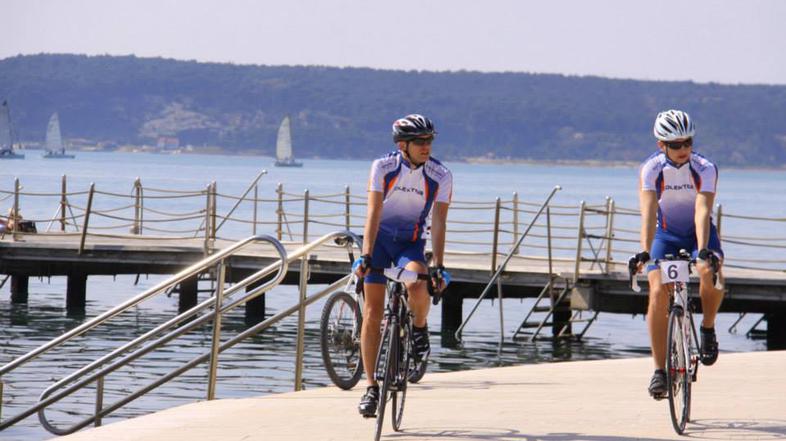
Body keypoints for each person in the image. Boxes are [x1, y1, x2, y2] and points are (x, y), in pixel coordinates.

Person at [354, 114, 452, 417]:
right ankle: (371, 386)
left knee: (418, 284)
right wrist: (367, 255)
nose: (427, 146)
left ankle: (419, 329)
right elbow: (373, 212)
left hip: (409, 243)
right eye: (420, 142)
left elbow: (438, 221)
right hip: (380, 243)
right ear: (402, 145)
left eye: (430, 140)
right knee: (371, 314)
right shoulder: (383, 167)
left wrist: (439, 264)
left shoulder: (440, 174)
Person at [630, 109, 724, 400]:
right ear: (661, 144)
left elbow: (702, 210)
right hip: (665, 235)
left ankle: (707, 328)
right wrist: (645, 251)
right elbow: (647, 213)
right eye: (675, 144)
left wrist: (704, 250)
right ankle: (659, 370)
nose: (683, 149)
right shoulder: (651, 169)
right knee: (657, 291)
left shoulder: (705, 167)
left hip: (698, 232)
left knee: (711, 273)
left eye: (687, 142)